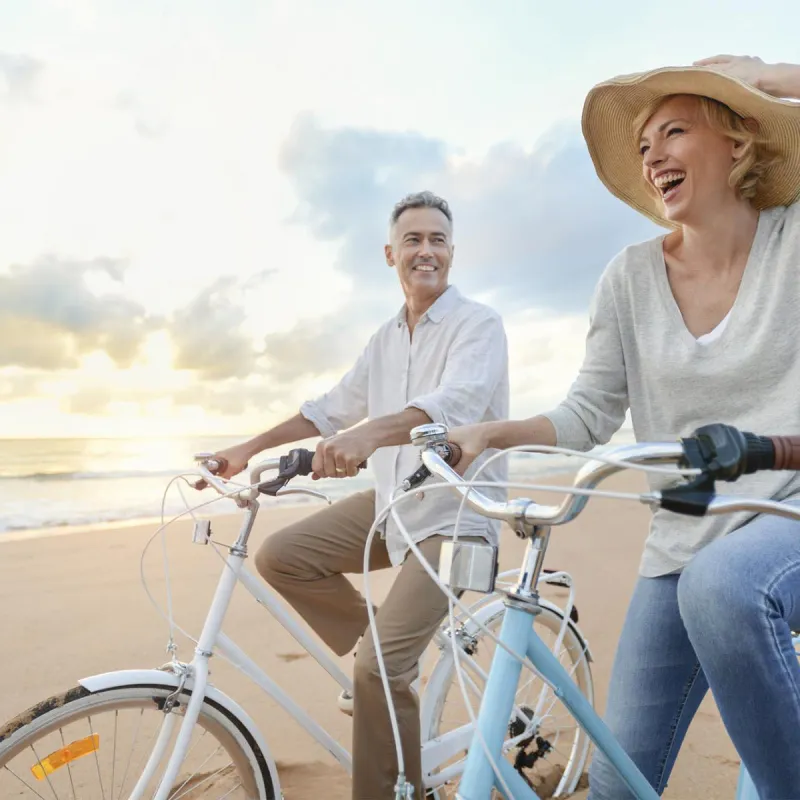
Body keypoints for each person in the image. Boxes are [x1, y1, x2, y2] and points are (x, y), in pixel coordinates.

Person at [444, 56, 800, 799]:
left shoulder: (794, 240)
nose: (653, 157)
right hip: (681, 539)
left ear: (738, 143)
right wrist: (492, 433)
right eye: (643, 147)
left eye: (675, 131)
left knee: (725, 587)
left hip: (787, 509)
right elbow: (587, 414)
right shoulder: (628, 277)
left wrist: (766, 78)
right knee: (616, 783)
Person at [211, 190, 509, 799]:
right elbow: (329, 409)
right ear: (390, 253)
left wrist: (367, 437)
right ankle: (389, 655)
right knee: (282, 556)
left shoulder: (479, 324)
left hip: (458, 515)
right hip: (397, 504)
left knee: (377, 668)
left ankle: (393, 762)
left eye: (437, 240)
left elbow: (452, 408)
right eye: (413, 240)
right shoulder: (385, 338)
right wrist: (247, 449)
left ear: (452, 251)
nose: (425, 251)